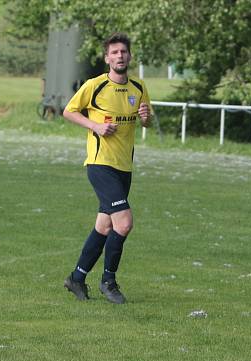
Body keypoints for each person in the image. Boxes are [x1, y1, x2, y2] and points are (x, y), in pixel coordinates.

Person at [62, 33, 152, 304]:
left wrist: (146, 119)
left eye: (123, 52)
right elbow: (69, 111)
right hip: (101, 165)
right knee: (123, 223)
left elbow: (145, 121)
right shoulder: (95, 85)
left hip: (125, 167)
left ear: (129, 56)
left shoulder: (138, 87)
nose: (119, 56)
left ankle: (76, 278)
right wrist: (95, 126)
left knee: (104, 226)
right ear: (107, 58)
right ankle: (108, 282)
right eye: (114, 53)